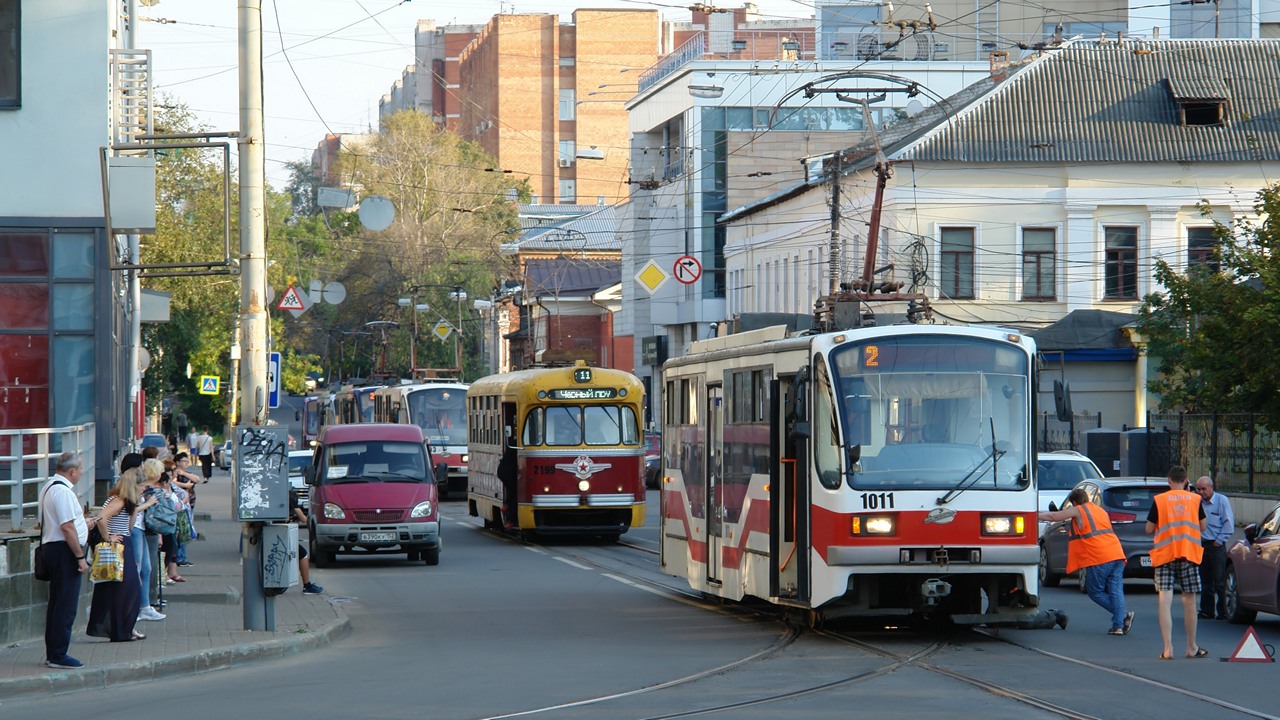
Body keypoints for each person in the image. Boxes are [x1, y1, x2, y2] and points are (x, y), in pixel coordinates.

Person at [1039, 487, 1133, 635]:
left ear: (1075, 502)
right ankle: (1118, 626)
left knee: (1095, 592)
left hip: (1099, 556)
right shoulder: (1100, 511)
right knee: (1116, 591)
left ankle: (1122, 616)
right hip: (1117, 554)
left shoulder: (1079, 510)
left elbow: (1053, 516)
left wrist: (1032, 516)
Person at [1145, 465, 1208, 660]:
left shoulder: (1160, 500)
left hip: (1165, 556)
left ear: (1169, 481)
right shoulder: (1195, 499)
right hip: (1188, 554)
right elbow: (1203, 527)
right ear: (1186, 480)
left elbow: (1148, 529)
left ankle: (1168, 648)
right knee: (1189, 601)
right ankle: (1191, 647)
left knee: (1165, 601)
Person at [41, 452, 93, 669]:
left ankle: (55, 651)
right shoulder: (62, 492)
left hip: (57, 548)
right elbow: (66, 527)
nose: (81, 472)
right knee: (65, 604)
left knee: (58, 603)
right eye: (80, 469)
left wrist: (84, 525)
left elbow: (69, 524)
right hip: (64, 551)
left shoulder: (50, 486)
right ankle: (58, 654)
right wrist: (80, 557)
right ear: (72, 471)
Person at [85, 468, 148, 642]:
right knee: (129, 588)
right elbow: (101, 518)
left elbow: (129, 525)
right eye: (142, 485)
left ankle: (123, 628)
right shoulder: (119, 501)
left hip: (122, 543)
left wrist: (135, 506)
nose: (144, 489)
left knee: (122, 588)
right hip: (118, 545)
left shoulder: (124, 501)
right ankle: (122, 629)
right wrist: (108, 537)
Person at [1195, 475, 1235, 620]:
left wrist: (1219, 541)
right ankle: (1207, 610)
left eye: (1203, 489)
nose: (1200, 492)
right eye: (1198, 489)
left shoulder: (1221, 501)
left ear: (1211, 487)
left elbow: (1228, 524)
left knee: (1219, 581)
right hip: (1201, 545)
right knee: (1205, 581)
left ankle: (1223, 610)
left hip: (1216, 545)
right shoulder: (1197, 502)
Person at [290, 488, 324, 595]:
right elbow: (304, 519)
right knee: (303, 554)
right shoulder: (289, 499)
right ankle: (307, 585)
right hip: (283, 535)